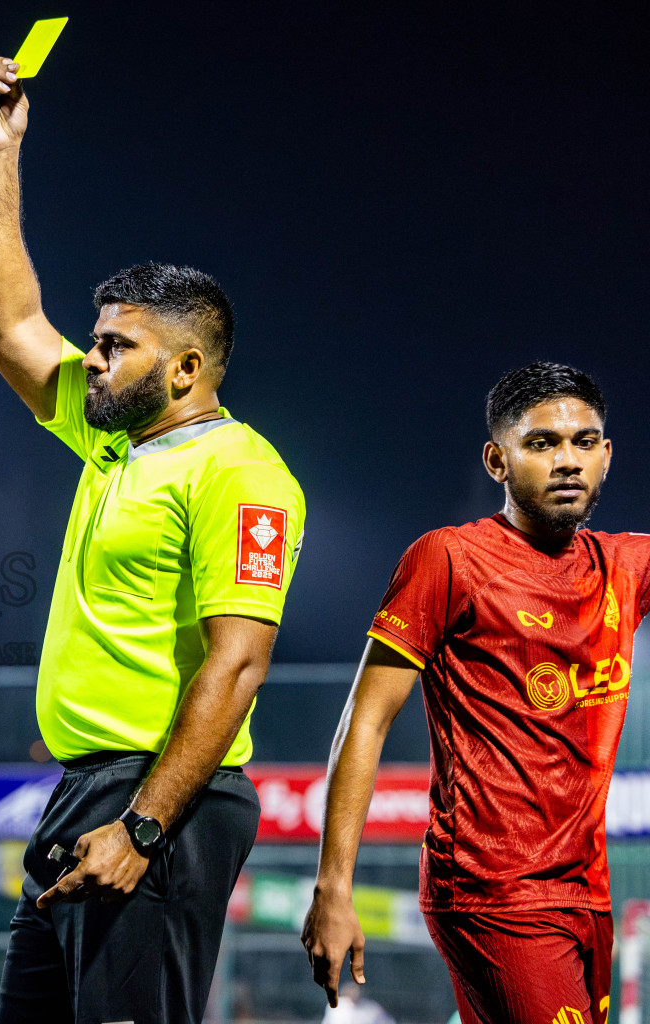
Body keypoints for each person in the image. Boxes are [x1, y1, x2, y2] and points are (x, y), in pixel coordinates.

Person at [0, 57, 307, 1024]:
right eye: (99, 339)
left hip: (157, 803)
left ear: (188, 366)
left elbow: (239, 667)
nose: (95, 358)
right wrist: (1, 157)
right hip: (86, 792)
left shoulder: (240, 473)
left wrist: (144, 827)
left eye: (118, 346)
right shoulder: (114, 435)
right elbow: (7, 325)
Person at [301, 363, 641, 1024]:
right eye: (542, 443)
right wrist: (332, 887)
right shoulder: (448, 559)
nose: (567, 461)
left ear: (606, 456)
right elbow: (362, 723)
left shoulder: (623, 567)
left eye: (583, 442)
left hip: (588, 895)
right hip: (492, 893)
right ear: (497, 460)